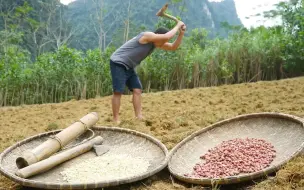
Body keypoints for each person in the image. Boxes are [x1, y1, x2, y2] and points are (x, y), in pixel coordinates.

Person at [109, 21, 186, 123]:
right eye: (162, 40)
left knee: (137, 90)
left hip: (129, 66)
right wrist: (177, 26)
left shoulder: (155, 44)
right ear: (157, 36)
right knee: (118, 91)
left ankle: (138, 116)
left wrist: (181, 33)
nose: (163, 43)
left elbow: (173, 47)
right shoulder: (147, 36)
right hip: (118, 62)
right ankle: (116, 119)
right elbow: (167, 37)